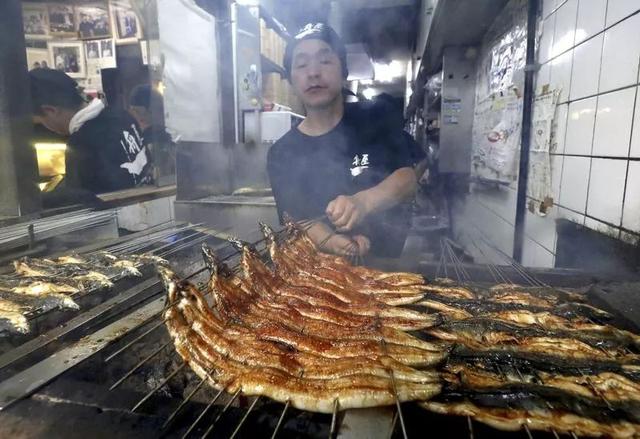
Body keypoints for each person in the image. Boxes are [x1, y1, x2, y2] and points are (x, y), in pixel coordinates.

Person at [267, 23, 420, 258]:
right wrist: (330, 241)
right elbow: (298, 219)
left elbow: (407, 179)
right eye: (301, 64)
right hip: (326, 275)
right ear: (290, 79)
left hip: (388, 266)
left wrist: (363, 202)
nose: (313, 72)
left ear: (344, 71)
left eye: (325, 61)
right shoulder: (281, 153)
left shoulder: (376, 116)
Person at [29, 68, 151, 205]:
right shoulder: (122, 116)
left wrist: (40, 199)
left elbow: (79, 203)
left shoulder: (81, 142)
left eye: (41, 122)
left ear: (50, 110)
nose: (45, 128)